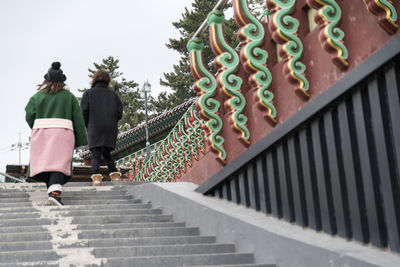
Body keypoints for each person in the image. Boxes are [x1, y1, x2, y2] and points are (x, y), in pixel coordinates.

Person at [25, 62, 88, 206]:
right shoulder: (69, 97)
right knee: (59, 163)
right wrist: (80, 139)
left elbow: (29, 114)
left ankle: (52, 191)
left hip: (42, 133)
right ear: (62, 80)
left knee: (45, 162)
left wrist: (36, 127)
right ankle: (54, 193)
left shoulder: (37, 96)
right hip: (63, 133)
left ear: (46, 79)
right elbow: (78, 119)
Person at [80, 70, 123, 186]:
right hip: (110, 127)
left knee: (95, 154)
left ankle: (97, 178)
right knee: (107, 152)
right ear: (107, 80)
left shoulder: (88, 94)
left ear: (94, 80)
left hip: (95, 127)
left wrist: (86, 125)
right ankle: (114, 175)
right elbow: (119, 113)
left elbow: (84, 112)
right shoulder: (113, 95)